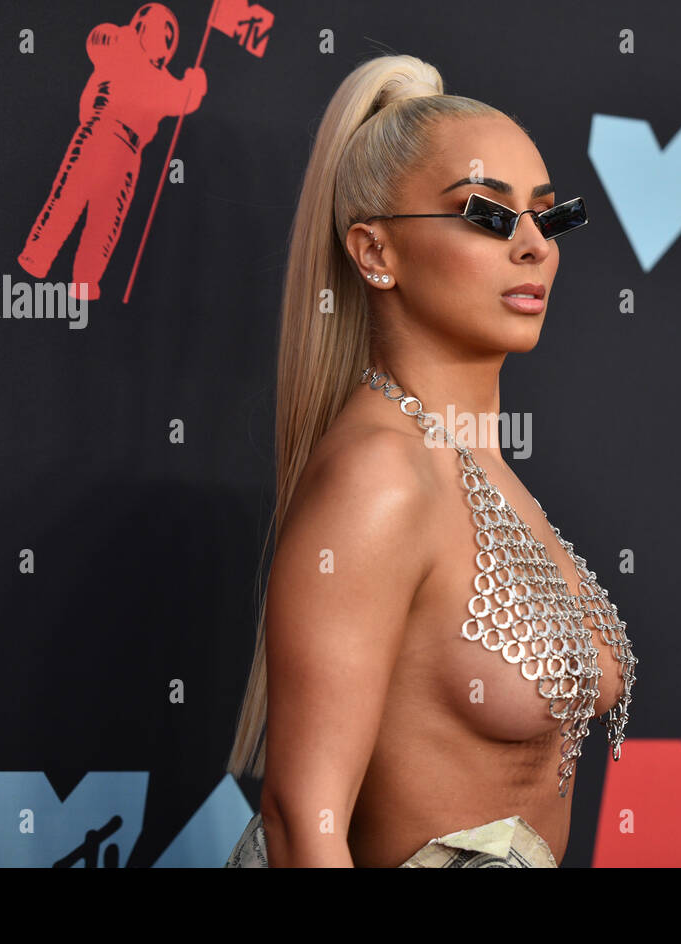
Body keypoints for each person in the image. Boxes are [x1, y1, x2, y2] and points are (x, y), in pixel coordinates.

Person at [224, 53, 637, 868]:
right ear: (375, 252)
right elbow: (301, 822)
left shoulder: (489, 476)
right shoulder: (379, 477)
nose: (533, 247)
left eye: (548, 219)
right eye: (486, 216)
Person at [17, 3, 207, 300]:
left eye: (167, 35)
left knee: (105, 220)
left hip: (127, 150)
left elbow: (183, 99)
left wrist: (195, 86)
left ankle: (81, 281)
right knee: (70, 199)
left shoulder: (158, 78)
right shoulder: (121, 48)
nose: (161, 38)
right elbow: (97, 39)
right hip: (99, 131)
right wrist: (193, 85)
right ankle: (38, 258)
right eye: (158, 29)